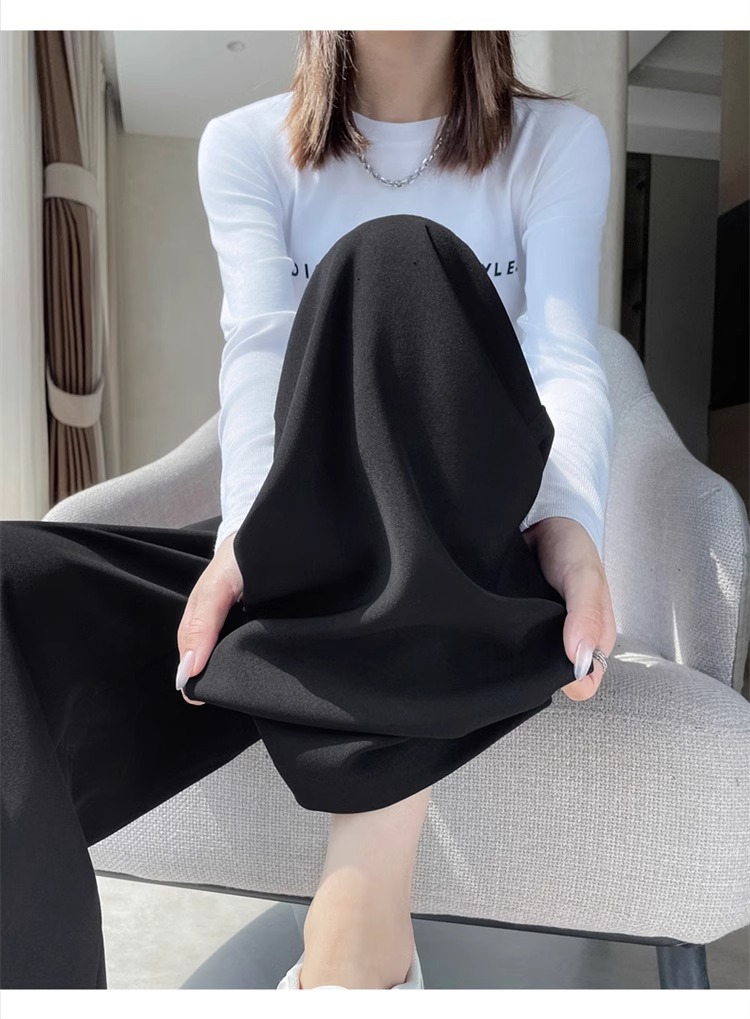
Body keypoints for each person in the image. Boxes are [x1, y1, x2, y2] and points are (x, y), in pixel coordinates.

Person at [0, 30, 617, 992]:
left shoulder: (554, 143)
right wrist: (247, 544)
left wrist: (569, 522)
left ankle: (357, 942)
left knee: (396, 261)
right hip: (303, 550)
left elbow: (566, 356)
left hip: (474, 557)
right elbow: (258, 357)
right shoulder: (246, 144)